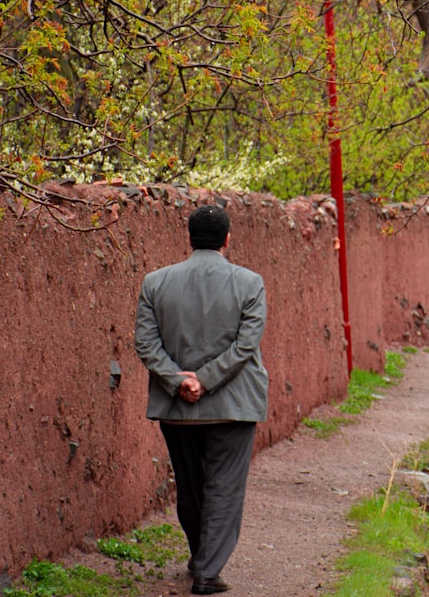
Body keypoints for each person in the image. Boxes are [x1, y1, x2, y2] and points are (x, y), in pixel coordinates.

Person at [135, 204, 269, 595]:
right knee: (224, 488)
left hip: (177, 408)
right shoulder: (250, 283)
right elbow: (246, 345)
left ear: (189, 237)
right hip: (233, 406)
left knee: (191, 488)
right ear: (228, 239)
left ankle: (200, 558)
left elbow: (146, 343)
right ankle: (207, 573)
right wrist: (206, 381)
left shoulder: (155, 282)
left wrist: (179, 381)